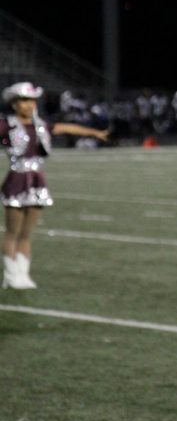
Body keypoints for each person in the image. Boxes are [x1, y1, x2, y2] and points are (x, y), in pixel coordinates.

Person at [0, 82, 109, 289]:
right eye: (24, 100)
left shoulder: (41, 125)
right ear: (14, 104)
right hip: (16, 179)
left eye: (32, 100)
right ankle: (10, 274)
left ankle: (23, 274)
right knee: (12, 232)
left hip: (37, 180)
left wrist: (94, 133)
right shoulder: (7, 125)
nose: (29, 105)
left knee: (26, 233)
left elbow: (65, 127)